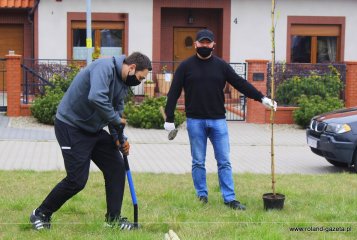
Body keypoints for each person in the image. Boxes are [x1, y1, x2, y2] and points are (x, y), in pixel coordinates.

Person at [30, 52, 152, 230]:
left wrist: (119, 139)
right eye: (140, 77)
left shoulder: (124, 82)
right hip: (70, 126)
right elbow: (96, 97)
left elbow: (116, 111)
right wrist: (116, 121)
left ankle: (113, 220)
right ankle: (40, 213)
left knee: (116, 167)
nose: (139, 81)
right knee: (77, 180)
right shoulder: (104, 68)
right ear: (132, 68)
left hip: (93, 129)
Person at [163, 29, 277, 210]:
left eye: (208, 43)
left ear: (213, 45)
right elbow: (174, 92)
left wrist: (261, 98)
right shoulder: (185, 66)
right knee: (198, 161)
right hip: (195, 121)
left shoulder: (221, 66)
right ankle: (202, 195)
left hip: (218, 121)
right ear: (196, 45)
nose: (205, 46)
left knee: (224, 161)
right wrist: (169, 118)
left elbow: (240, 83)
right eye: (202, 43)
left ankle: (229, 198)